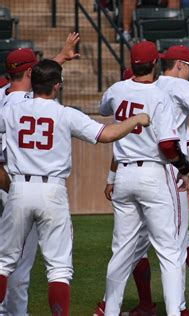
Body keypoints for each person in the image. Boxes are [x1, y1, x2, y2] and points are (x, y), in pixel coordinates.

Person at [0, 59, 150, 316]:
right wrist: (137, 118)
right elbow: (108, 135)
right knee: (58, 269)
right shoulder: (65, 114)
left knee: (3, 264)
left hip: (19, 189)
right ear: (57, 85)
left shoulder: (11, 110)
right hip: (52, 192)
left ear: (33, 82)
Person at [99, 40, 189, 316]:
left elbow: (105, 109)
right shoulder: (160, 95)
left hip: (124, 174)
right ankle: (175, 311)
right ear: (154, 64)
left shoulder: (117, 89)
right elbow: (167, 146)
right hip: (153, 173)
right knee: (169, 251)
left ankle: (111, 310)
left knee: (122, 250)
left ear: (131, 64)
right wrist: (183, 165)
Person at [0, 33, 81, 316]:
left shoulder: (4, 95)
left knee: (5, 260)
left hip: (12, 182)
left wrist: (60, 57)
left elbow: (33, 78)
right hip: (18, 183)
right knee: (21, 266)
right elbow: (40, 83)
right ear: (29, 72)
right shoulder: (26, 103)